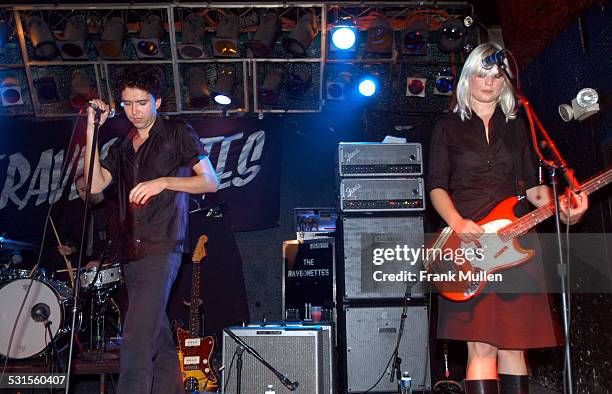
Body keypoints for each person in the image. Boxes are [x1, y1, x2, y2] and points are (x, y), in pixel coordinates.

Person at [426, 43, 588, 394]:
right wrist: (457, 222)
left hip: (515, 242)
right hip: (467, 245)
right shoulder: (448, 128)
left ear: (506, 83)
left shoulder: (517, 128)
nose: (489, 82)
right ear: (468, 79)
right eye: (482, 75)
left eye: (497, 76)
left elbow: (533, 188)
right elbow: (436, 186)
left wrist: (564, 208)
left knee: (515, 346)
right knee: (480, 345)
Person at [83, 64, 219, 394]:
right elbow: (93, 187)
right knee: (157, 339)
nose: (134, 112)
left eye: (141, 103)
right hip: (130, 251)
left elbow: (210, 182)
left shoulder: (177, 133)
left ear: (157, 100)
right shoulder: (122, 147)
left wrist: (164, 182)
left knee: (135, 342)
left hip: (162, 246)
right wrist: (92, 131)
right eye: (127, 104)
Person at [57, 175, 115, 267]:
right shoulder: (82, 212)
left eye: (83, 190)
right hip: (86, 266)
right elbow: (84, 244)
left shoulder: (113, 211)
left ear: (96, 187)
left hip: (107, 269)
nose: (80, 195)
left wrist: (104, 262)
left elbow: (121, 247)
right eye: (78, 191)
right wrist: (72, 249)